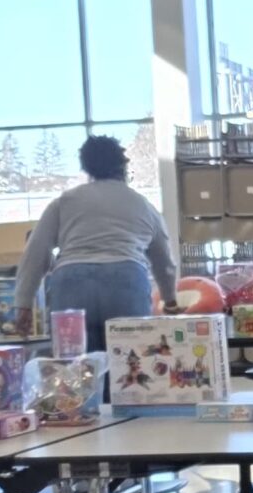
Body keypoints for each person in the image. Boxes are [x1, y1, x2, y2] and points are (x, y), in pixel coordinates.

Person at [11, 134, 178, 350]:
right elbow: (163, 260)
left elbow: (36, 252)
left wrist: (23, 303)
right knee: (130, 363)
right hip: (126, 282)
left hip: (72, 283)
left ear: (86, 167)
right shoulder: (143, 205)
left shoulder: (64, 202)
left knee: (75, 364)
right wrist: (170, 299)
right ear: (123, 164)